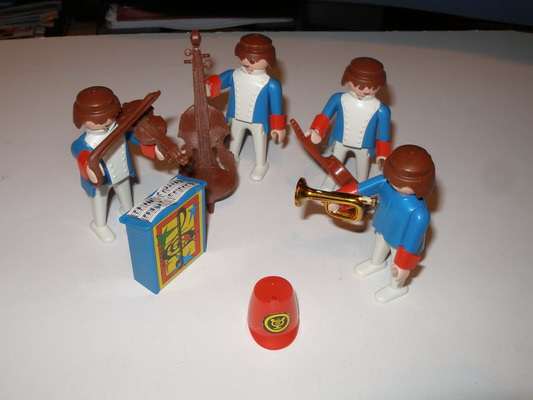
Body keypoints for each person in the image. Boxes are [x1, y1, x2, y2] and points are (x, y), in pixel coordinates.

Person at [334, 144, 435, 303]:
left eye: (403, 183)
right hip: (382, 227)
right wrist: (338, 199)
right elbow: (360, 189)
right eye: (394, 179)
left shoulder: (419, 213)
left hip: (400, 244)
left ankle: (397, 288)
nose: (396, 184)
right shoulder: (385, 182)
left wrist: (403, 265)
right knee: (379, 246)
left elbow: (412, 240)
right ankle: (376, 263)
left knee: (396, 268)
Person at [71, 86, 163, 242]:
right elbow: (78, 151)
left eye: (110, 116)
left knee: (126, 196)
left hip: (122, 173)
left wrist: (153, 148)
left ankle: (127, 211)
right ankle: (99, 225)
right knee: (100, 201)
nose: (107, 122)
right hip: (101, 181)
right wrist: (89, 166)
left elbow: (137, 138)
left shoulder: (120, 129)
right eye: (99, 121)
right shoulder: (86, 141)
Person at [205, 33, 286, 181]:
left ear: (268, 60)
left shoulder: (271, 84)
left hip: (258, 121)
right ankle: (232, 158)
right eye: (242, 57)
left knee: (259, 143)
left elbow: (277, 108)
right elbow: (218, 81)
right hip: (236, 117)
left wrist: (278, 127)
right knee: (234, 140)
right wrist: (208, 86)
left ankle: (261, 165)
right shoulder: (234, 75)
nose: (246, 62)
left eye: (253, 60)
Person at [305, 57, 391, 189]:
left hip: (364, 146)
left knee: (362, 173)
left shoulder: (381, 109)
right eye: (358, 85)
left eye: (371, 87)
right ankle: (328, 186)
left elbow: (384, 134)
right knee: (334, 166)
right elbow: (325, 116)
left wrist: (383, 153)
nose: (363, 91)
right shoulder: (339, 98)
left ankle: (361, 189)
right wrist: (317, 130)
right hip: (340, 141)